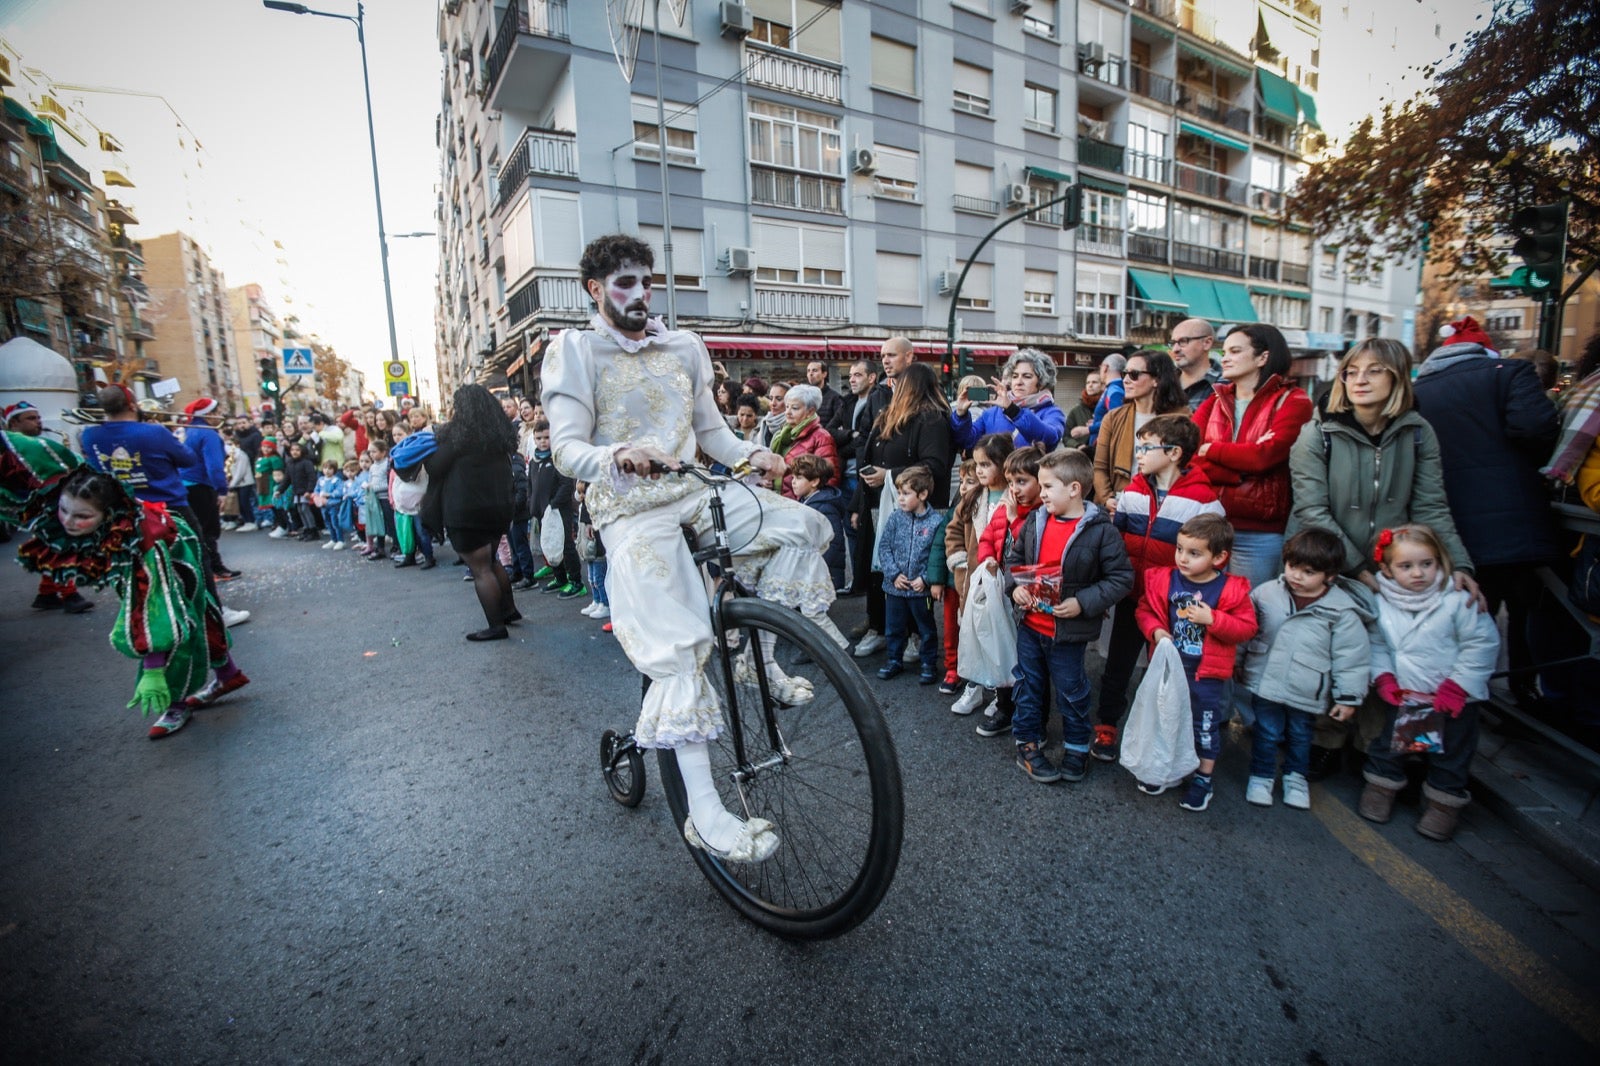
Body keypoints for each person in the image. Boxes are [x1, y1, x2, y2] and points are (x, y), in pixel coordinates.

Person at [543, 232, 846, 864]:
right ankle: (707, 813)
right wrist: (617, 454)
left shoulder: (684, 345)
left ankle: (756, 661)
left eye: (646, 281)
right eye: (625, 283)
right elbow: (566, 448)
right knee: (677, 643)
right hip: (629, 506)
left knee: (799, 526)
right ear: (596, 290)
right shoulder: (575, 350)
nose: (640, 293)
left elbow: (712, 432)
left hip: (691, 485)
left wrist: (749, 453)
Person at [1288, 337, 1482, 776]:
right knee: (1330, 652)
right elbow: (1312, 510)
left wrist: (1460, 566)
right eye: (1352, 371)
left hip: (1397, 565)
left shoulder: (1416, 433)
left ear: (1397, 377)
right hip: (1328, 561)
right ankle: (1325, 740)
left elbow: (1432, 506)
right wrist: (1358, 567)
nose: (1360, 379)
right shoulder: (1318, 432)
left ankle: (1381, 750)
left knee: (1394, 654)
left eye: (1374, 370)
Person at [9, 459, 247, 739]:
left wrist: (153, 670)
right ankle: (227, 674)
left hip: (172, 554)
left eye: (81, 516)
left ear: (109, 515)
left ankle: (175, 701)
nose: (69, 522)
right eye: (64, 511)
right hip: (163, 542)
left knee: (181, 620)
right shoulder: (96, 514)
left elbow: (151, 609)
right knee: (194, 610)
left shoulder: (142, 546)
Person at [1412, 316, 1559, 708]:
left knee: (1467, 618)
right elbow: (1535, 426)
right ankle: (1524, 694)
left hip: (1445, 523)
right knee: (1529, 612)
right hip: (1512, 518)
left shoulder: (1420, 388)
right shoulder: (1511, 373)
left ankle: (1457, 707)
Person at [1359, 524, 1500, 842]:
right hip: (1408, 692)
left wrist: (1459, 685)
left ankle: (1442, 803)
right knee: (1393, 746)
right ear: (1387, 569)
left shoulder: (1458, 599)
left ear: (1440, 562)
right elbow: (1378, 643)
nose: (1418, 573)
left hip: (1453, 696)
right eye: (1406, 566)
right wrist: (1382, 677)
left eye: (1427, 564)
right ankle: (1383, 786)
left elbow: (1482, 643)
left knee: (1451, 753)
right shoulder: (1382, 602)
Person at [1002, 448, 1134, 784]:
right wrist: (1015, 586)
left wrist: (1083, 602)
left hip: (1068, 633)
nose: (1040, 493)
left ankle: (1076, 747)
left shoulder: (1101, 530)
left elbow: (1121, 578)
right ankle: (1027, 744)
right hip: (1030, 626)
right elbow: (1014, 561)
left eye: (1047, 486)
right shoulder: (1034, 521)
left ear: (1074, 488)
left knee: (1072, 691)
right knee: (1028, 687)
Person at [1096, 414, 1223, 761]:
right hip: (1132, 594)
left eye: (1146, 447)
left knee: (1169, 670)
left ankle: (1162, 737)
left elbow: (1215, 554)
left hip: (1176, 605)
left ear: (1174, 453)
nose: (1138, 453)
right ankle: (1106, 725)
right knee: (1118, 665)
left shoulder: (1203, 500)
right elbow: (1115, 539)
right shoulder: (1133, 490)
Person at [80, 385, 247, 627]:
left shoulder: (90, 435)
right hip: (170, 507)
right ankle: (214, 613)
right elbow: (187, 458)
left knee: (141, 567)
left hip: (124, 511)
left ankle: (155, 620)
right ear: (133, 405)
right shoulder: (154, 432)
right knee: (195, 559)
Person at [1239, 528, 1374, 811]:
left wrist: (1348, 697)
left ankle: (1295, 777)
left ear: (1330, 576)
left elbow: (1351, 657)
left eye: (1308, 571)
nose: (1296, 576)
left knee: (1301, 735)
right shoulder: (1266, 593)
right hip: (1266, 681)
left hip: (1307, 687)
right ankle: (1261, 776)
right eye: (1292, 566)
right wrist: (1235, 662)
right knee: (1266, 732)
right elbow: (1245, 630)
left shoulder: (1342, 611)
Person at [1134, 514, 1257, 810]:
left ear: (1219, 557)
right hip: (1169, 669)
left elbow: (1246, 628)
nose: (1183, 558)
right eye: (1180, 549)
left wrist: (1213, 619)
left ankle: (1203, 777)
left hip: (1207, 675)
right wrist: (1156, 630)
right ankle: (1169, 767)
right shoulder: (1164, 579)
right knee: (1167, 720)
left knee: (1204, 726)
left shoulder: (1230, 590)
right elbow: (1145, 610)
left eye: (1194, 553)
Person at [1192, 323, 1314, 588]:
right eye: (1224, 351)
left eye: (1235, 351)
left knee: (1252, 613)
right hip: (1209, 525)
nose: (1224, 357)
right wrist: (1238, 471)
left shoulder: (1293, 400)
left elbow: (1264, 456)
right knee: (1208, 612)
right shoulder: (1214, 401)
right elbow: (1189, 456)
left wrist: (1212, 450)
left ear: (1263, 357)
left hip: (1259, 533)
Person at [852, 362, 955, 661]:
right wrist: (859, 503)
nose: (890, 385)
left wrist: (889, 474)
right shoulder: (887, 416)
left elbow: (935, 465)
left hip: (914, 510)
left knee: (911, 571)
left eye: (897, 380)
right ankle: (880, 627)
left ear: (912, 386)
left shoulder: (932, 420)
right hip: (877, 504)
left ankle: (916, 635)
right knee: (880, 570)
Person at [422, 383, 520, 640]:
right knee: (492, 561)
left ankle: (496, 626)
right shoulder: (499, 434)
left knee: (481, 569)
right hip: (498, 509)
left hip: (467, 511)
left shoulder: (459, 436)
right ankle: (509, 611)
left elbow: (434, 467)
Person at [973, 441, 1043, 737]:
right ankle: (1004, 707)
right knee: (1002, 649)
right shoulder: (1004, 509)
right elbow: (988, 536)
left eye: (1022, 481)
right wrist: (987, 556)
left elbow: (1032, 548)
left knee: (1026, 657)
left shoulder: (1039, 513)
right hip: (1003, 587)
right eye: (1012, 481)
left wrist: (1014, 518)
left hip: (1027, 593)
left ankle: (1028, 713)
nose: (1014, 489)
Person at [943, 433, 1015, 715]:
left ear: (1003, 463)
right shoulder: (973, 496)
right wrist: (959, 562)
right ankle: (973, 688)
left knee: (1000, 638)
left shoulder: (1014, 496)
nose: (980, 470)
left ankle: (1001, 692)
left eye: (986, 464)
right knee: (972, 635)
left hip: (1005, 582)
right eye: (978, 465)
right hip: (973, 580)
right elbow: (953, 531)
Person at [4, 400, 92, 613]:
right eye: (31, 418)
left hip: (45, 502)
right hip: (33, 503)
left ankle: (47, 593)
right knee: (61, 543)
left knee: (49, 544)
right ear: (13, 423)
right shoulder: (13, 449)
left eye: (38, 417)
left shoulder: (34, 445)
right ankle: (69, 594)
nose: (38, 422)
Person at [875, 465, 944, 684]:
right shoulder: (895, 518)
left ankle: (928, 663)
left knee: (926, 629)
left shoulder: (936, 523)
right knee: (893, 627)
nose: (901, 499)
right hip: (894, 587)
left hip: (919, 589)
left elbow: (937, 554)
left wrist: (924, 578)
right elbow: (884, 547)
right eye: (899, 494)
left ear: (922, 494)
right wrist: (893, 574)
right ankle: (894, 660)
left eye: (906, 494)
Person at [1093, 349, 1190, 504]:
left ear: (1156, 379)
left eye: (1134, 374)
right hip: (1119, 503)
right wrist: (1107, 498)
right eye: (1125, 373)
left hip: (1165, 504)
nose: (1125, 380)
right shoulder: (1113, 418)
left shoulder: (1181, 418)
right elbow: (1099, 467)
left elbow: (1187, 467)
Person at [949, 348, 1065, 454]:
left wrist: (1013, 411)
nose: (1018, 382)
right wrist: (961, 415)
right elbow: (968, 442)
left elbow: (1049, 438)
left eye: (1027, 376)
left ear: (1042, 382)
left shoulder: (1052, 412)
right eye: (1015, 376)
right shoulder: (991, 413)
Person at [927, 458, 976, 695]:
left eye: (971, 481)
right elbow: (939, 543)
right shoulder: (955, 511)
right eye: (963, 481)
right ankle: (952, 668)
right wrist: (936, 580)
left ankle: (976, 671)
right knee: (950, 629)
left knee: (976, 628)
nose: (964, 486)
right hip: (952, 582)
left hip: (975, 583)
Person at [175, 397, 237, 580]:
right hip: (201, 486)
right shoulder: (208, 433)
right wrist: (222, 491)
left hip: (186, 485)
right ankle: (214, 568)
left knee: (197, 529)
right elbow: (214, 467)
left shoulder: (188, 430)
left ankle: (208, 567)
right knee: (208, 530)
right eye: (217, 412)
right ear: (208, 414)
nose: (220, 416)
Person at [526, 419, 583, 597]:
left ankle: (576, 582)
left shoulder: (558, 459)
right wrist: (531, 503)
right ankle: (560, 578)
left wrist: (554, 505)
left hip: (559, 511)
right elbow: (530, 484)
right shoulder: (535, 461)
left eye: (547, 437)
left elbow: (566, 485)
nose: (543, 441)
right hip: (542, 513)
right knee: (550, 546)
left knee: (565, 545)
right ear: (534, 439)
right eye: (539, 438)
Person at [790, 453, 847, 592]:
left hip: (823, 571)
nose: (793, 481)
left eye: (798, 478)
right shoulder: (807, 501)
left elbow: (833, 542)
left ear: (814, 481)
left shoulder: (825, 507)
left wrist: (817, 569)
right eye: (793, 477)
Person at [773, 384, 840, 498]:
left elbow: (829, 478)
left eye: (794, 408)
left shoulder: (822, 437)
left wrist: (808, 501)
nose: (788, 412)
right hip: (778, 498)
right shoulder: (782, 434)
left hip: (801, 504)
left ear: (810, 411)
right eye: (787, 407)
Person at [575, 482, 611, 622]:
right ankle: (597, 600)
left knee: (598, 565)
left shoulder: (596, 476)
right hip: (588, 519)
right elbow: (579, 496)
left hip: (597, 520)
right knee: (591, 565)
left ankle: (605, 602)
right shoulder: (584, 476)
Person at [1168, 318, 1220, 411]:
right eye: (1172, 343)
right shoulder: (1163, 382)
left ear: (1207, 343)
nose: (1175, 349)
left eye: (1183, 341)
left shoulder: (1224, 384)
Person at [1086, 352, 1126, 449]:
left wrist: (1088, 429)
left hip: (1105, 446)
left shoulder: (1114, 391)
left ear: (1105, 368)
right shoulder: (1112, 389)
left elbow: (1116, 419)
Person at [807, 360, 850, 449]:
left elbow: (839, 425)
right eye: (808, 371)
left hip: (826, 444)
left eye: (814, 370)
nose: (810, 374)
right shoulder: (804, 397)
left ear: (824, 374)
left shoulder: (834, 397)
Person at [284, 441, 319, 542]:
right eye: (292, 450)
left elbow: (312, 477)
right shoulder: (290, 463)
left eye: (297, 450)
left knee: (305, 509)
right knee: (300, 510)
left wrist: (309, 490)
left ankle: (313, 530)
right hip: (297, 491)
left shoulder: (306, 462)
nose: (294, 452)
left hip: (305, 491)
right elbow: (287, 479)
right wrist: (280, 490)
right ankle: (307, 529)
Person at [314, 460, 348, 549]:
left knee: (335, 522)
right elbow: (317, 490)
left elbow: (340, 492)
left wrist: (329, 494)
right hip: (323, 505)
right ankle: (333, 539)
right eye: (325, 468)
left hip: (334, 505)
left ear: (334, 470)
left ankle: (341, 540)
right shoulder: (321, 480)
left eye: (330, 468)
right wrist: (316, 496)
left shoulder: (337, 480)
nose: (327, 471)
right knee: (328, 523)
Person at [1064, 370, 1101, 446]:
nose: (1090, 385)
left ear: (1103, 385)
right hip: (1082, 455)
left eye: (1094, 382)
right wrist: (1078, 446)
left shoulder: (1108, 407)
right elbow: (1066, 437)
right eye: (1088, 382)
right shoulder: (1076, 411)